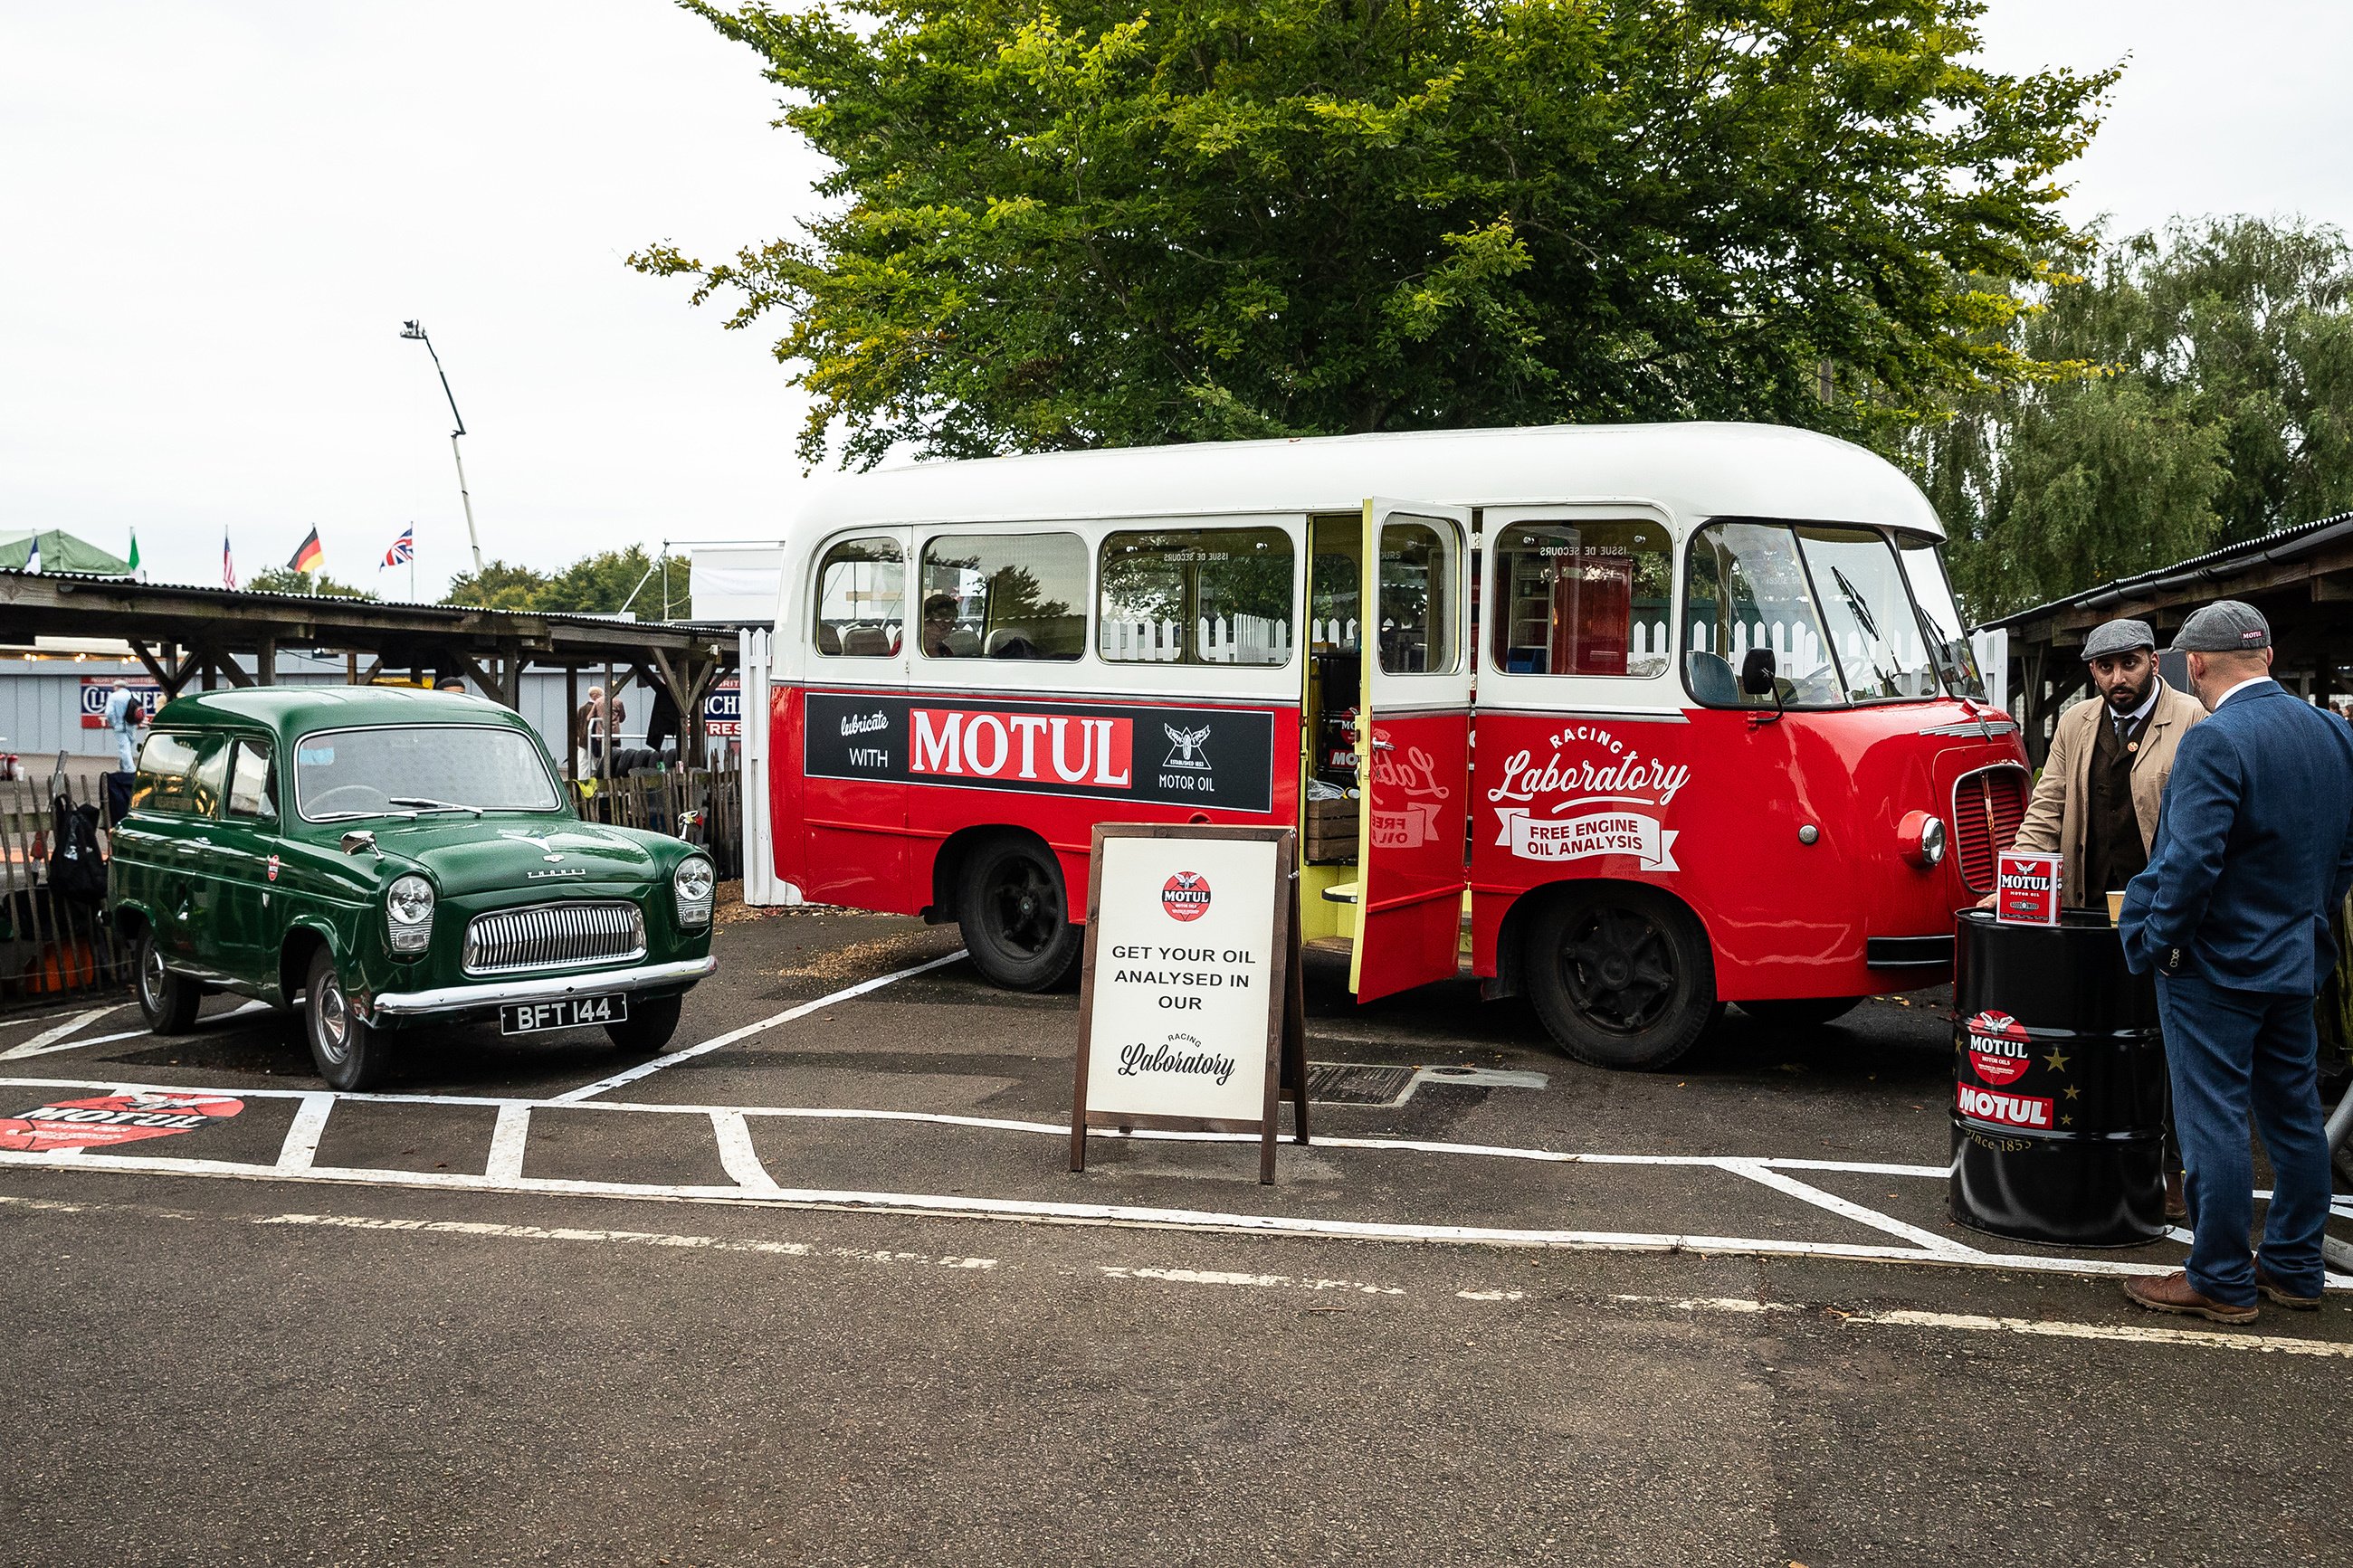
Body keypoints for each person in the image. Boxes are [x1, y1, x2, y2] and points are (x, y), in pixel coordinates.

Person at [2118, 601, 2353, 1324]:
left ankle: (2219, 1274)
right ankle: (2292, 1266)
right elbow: (2344, 854)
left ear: (2195, 664)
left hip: (2214, 966)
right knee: (2293, 1117)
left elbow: (2190, 864)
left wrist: (2157, 941)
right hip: (2295, 958)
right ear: (2269, 657)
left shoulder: (2216, 741)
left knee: (2211, 1118)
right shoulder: (2334, 733)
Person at [1987, 616, 2205, 1216]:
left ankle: (2178, 1170)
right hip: (2091, 913)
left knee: (2167, 1041)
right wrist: (2009, 883)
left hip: (2164, 914)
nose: (2118, 678)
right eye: (2105, 668)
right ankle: (2106, 1155)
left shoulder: (2192, 719)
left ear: (2153, 662)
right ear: (2092, 672)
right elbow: (2046, 810)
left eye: (2129, 664)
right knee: (2104, 1038)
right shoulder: (2077, 723)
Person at [100, 679, 144, 771]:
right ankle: (122, 766)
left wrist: (113, 723)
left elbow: (109, 713)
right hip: (132, 725)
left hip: (120, 726)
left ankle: (130, 770)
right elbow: (141, 711)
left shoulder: (113, 697)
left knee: (124, 748)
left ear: (117, 687)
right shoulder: (135, 696)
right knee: (127, 747)